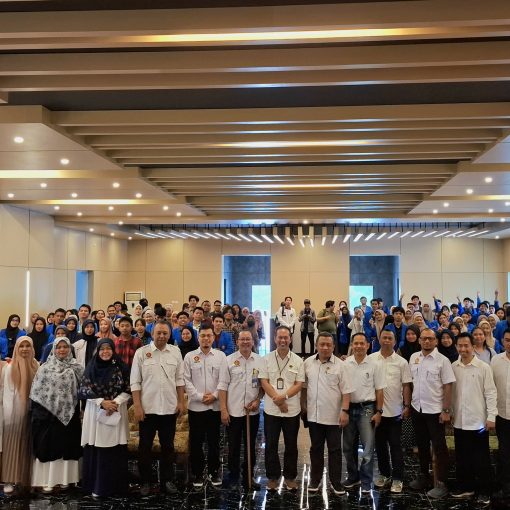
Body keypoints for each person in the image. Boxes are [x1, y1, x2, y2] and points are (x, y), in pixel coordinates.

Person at [131, 322, 184, 495]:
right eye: (158, 332)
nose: (162, 336)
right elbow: (135, 382)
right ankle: (146, 481)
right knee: (144, 447)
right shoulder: (141, 352)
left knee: (168, 447)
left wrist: (181, 402)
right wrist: (137, 406)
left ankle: (167, 480)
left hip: (169, 408)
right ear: (152, 334)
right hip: (147, 408)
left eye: (165, 333)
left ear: (169, 335)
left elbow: (180, 380)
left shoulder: (175, 352)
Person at [29, 337, 83, 493]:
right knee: (50, 447)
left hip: (70, 415)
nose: (62, 350)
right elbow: (36, 392)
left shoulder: (76, 367)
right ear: (53, 349)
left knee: (68, 446)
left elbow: (83, 389)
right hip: (48, 415)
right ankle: (49, 480)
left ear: (70, 349)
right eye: (59, 347)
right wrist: (44, 412)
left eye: (65, 347)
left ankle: (66, 480)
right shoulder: (45, 368)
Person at [301, 332, 352, 495]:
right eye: (322, 344)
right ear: (316, 345)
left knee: (335, 450)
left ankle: (336, 482)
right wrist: (303, 405)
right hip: (314, 416)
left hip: (334, 416)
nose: (325, 347)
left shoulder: (341, 366)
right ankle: (315, 480)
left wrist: (345, 411)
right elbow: (304, 387)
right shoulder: (308, 363)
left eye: (328, 345)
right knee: (315, 449)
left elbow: (346, 391)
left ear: (333, 346)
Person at [80, 338, 131, 498]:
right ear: (97, 351)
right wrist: (102, 402)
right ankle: (96, 487)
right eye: (102, 349)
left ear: (113, 350)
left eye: (109, 348)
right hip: (96, 411)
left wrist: (115, 403)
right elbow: (84, 389)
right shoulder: (91, 367)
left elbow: (129, 388)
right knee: (97, 449)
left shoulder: (121, 367)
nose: (105, 352)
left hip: (116, 409)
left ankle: (116, 488)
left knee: (115, 449)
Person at [450, 333, 497, 506]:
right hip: (459, 420)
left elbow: (490, 393)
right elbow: (451, 393)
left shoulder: (483, 367)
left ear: (472, 346)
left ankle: (485, 491)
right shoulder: (453, 366)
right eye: (460, 346)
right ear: (456, 347)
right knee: (462, 457)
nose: (463, 349)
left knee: (481, 459)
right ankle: (466, 487)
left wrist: (491, 416)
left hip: (478, 421)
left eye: (466, 345)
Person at [409, 328, 456, 499]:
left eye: (430, 338)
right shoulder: (414, 358)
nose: (427, 341)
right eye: (424, 338)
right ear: (419, 340)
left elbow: (448, 386)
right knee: (421, 445)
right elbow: (411, 383)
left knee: (439, 447)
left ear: (436, 341)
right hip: (417, 408)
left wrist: (446, 410)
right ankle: (424, 476)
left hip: (435, 411)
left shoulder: (443, 361)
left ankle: (442, 483)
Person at [259, 325, 304, 491]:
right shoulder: (266, 359)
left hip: (291, 410)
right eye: (280, 337)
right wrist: (278, 401)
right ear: (275, 339)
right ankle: (272, 477)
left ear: (290, 339)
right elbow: (264, 382)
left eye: (286, 337)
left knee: (291, 445)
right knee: (271, 445)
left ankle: (290, 477)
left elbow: (299, 384)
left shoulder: (298, 361)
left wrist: (283, 397)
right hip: (271, 410)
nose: (283, 340)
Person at [183, 324, 228, 489]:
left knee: (214, 442)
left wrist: (214, 396)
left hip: (214, 407)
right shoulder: (189, 357)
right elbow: (186, 380)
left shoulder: (221, 356)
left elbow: (224, 380)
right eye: (203, 336)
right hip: (196, 407)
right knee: (196, 442)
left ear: (213, 337)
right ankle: (198, 473)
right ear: (198, 337)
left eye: (209, 336)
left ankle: (214, 472)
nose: (206, 339)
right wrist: (200, 396)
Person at [219, 330, 264, 490]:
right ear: (237, 342)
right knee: (233, 447)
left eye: (248, 339)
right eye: (242, 339)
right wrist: (223, 410)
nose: (245, 342)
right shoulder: (228, 360)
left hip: (252, 412)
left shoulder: (260, 361)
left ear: (253, 342)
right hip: (233, 412)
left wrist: (258, 400)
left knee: (251, 447)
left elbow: (263, 386)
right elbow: (222, 387)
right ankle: (233, 476)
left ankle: (248, 477)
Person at [369, 330, 412, 494]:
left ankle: (398, 478)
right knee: (379, 446)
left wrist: (407, 406)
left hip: (395, 411)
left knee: (395, 446)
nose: (386, 340)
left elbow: (406, 386)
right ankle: (384, 474)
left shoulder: (402, 362)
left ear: (395, 341)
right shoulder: (371, 359)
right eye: (384, 338)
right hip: (376, 412)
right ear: (379, 339)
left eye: (390, 338)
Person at [342, 332, 385, 494]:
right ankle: (353, 477)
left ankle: (366, 481)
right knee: (348, 447)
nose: (359, 346)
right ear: (352, 345)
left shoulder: (375, 365)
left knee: (367, 448)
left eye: (362, 343)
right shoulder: (345, 364)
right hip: (348, 408)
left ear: (368, 345)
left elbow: (379, 390)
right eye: (356, 343)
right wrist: (343, 410)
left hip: (367, 409)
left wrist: (379, 411)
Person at [1, 337, 39, 494]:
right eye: (21, 346)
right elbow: (7, 394)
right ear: (16, 348)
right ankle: (9, 480)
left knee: (27, 448)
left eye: (27, 346)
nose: (24, 349)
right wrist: (11, 417)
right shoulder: (9, 368)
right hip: (14, 415)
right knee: (12, 447)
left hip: (32, 413)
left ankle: (24, 479)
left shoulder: (36, 365)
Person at [491, 328, 510, 500]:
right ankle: (504, 486)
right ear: (502, 341)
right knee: (504, 452)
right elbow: (491, 388)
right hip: (502, 415)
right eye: (507, 340)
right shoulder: (496, 360)